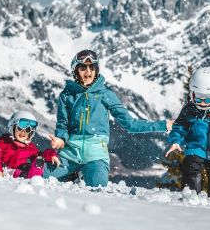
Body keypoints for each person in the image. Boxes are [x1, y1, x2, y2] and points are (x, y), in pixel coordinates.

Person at [45, 49, 173, 188]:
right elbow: (63, 125)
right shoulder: (67, 95)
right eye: (83, 67)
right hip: (69, 153)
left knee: (97, 189)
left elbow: (130, 124)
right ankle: (72, 174)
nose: (88, 71)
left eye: (92, 67)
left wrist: (164, 125)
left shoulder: (106, 95)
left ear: (96, 70)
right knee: (38, 178)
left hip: (95, 156)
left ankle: (81, 174)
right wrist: (61, 139)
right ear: (76, 70)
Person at [166, 67, 210, 204]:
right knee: (191, 169)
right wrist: (176, 140)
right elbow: (179, 126)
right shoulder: (190, 108)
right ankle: (191, 197)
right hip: (196, 148)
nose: (202, 104)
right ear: (192, 94)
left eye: (207, 100)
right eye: (198, 99)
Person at [0, 110, 60, 178]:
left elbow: (41, 155)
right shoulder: (5, 142)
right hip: (2, 168)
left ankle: (34, 172)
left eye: (28, 130)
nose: (23, 132)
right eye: (20, 128)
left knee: (27, 166)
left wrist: (51, 155)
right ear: (12, 127)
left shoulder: (30, 148)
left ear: (31, 133)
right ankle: (28, 173)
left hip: (17, 171)